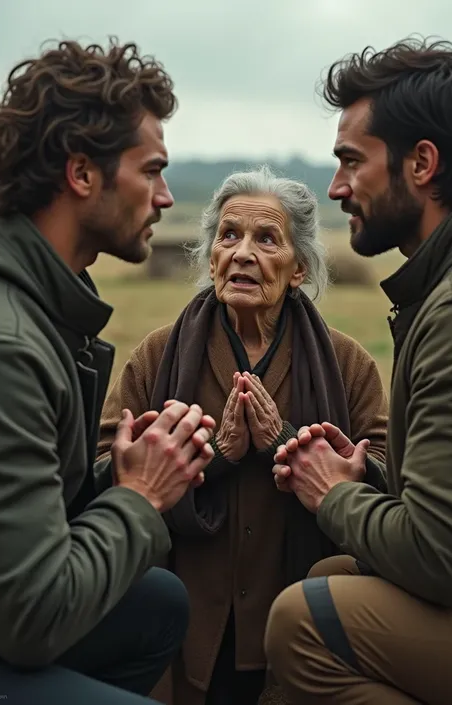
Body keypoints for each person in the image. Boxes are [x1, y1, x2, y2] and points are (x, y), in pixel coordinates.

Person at [96, 165, 389, 705]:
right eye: (229, 235)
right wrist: (208, 456)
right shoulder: (159, 355)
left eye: (266, 238)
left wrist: (298, 449)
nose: (243, 252)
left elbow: (388, 479)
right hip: (184, 619)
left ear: (299, 268)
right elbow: (102, 469)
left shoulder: (347, 365)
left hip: (299, 616)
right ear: (211, 258)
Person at [0, 39, 218, 705]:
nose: (166, 197)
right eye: (151, 170)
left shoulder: (42, 304)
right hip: (17, 621)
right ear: (82, 174)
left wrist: (119, 472)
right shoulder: (10, 343)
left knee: (155, 604)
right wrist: (141, 495)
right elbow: (31, 618)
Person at [265, 37, 452, 705]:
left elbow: (440, 558)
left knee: (302, 623)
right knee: (335, 572)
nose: (336, 187)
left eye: (352, 162)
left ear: (422, 163)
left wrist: (331, 492)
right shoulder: (441, 288)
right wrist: (373, 479)